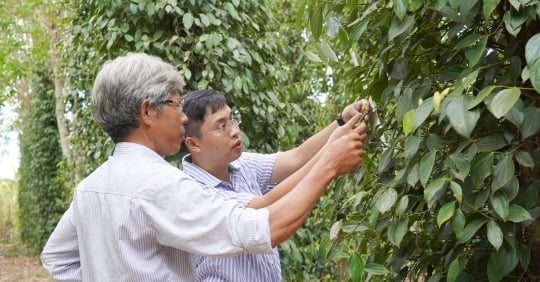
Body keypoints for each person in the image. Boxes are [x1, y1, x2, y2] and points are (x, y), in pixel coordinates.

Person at [40, 52, 368, 281]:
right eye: (175, 104)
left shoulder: (89, 188)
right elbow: (257, 229)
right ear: (147, 112)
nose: (183, 117)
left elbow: (57, 257)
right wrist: (327, 165)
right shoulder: (163, 186)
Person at [181, 89, 370, 281]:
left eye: (232, 119)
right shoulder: (195, 193)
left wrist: (341, 122)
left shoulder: (241, 165)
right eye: (221, 126)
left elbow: (296, 158)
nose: (235, 130)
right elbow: (264, 210)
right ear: (194, 144)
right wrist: (330, 157)